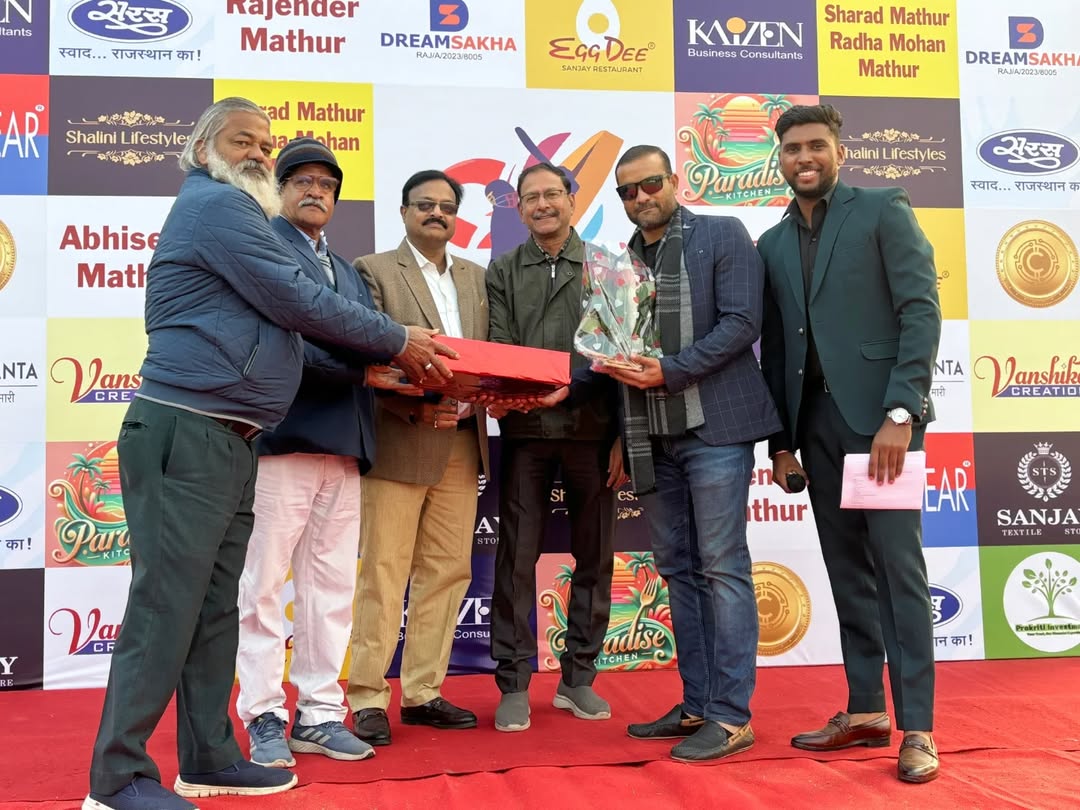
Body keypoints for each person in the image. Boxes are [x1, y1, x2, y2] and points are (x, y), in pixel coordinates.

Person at [84, 98, 453, 810]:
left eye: (264, 142)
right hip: (187, 428)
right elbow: (295, 298)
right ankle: (116, 779)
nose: (257, 152)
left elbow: (295, 308)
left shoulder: (241, 214)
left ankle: (210, 757)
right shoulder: (217, 204)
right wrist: (397, 340)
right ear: (202, 150)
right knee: (165, 607)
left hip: (232, 436)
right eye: (242, 141)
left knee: (213, 609)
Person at [543, 145, 782, 762]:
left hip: (715, 429)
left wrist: (670, 371)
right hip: (650, 435)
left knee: (722, 567)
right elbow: (611, 350)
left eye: (650, 184)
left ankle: (731, 717)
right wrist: (562, 384)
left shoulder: (722, 233)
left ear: (673, 181)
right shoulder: (619, 262)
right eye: (626, 191)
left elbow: (742, 324)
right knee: (678, 570)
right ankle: (698, 703)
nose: (640, 197)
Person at [757, 103, 942, 783]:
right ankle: (866, 708)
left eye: (815, 145)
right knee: (847, 572)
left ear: (839, 151)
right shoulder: (772, 242)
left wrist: (902, 411)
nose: (803, 158)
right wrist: (781, 443)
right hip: (817, 431)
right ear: (779, 159)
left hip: (881, 427)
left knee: (899, 573)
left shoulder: (883, 208)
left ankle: (918, 728)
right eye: (792, 149)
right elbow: (776, 348)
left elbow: (920, 309)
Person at [235, 138, 421, 769]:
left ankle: (318, 713)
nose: (316, 191)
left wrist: (384, 375)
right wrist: (361, 371)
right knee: (263, 586)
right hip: (282, 440)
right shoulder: (265, 248)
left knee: (331, 589)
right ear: (279, 189)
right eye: (302, 181)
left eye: (327, 184)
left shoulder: (346, 270)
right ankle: (263, 714)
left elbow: (372, 346)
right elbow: (283, 344)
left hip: (344, 445)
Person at [346, 170, 490, 746]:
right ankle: (366, 697)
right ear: (404, 211)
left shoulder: (476, 277)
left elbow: (489, 357)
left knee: (448, 570)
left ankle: (424, 692)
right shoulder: (373, 270)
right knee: (384, 570)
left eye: (447, 206)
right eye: (425, 204)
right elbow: (368, 354)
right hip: (400, 439)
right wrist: (421, 405)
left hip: (463, 442)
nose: (437, 213)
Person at [485, 162, 623, 733]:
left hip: (594, 430)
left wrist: (621, 434)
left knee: (595, 557)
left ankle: (578, 678)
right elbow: (498, 343)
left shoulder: (607, 266)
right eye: (531, 197)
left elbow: (619, 350)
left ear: (572, 200)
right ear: (519, 208)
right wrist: (515, 392)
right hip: (526, 433)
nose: (542, 204)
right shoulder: (502, 270)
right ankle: (514, 683)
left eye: (552, 194)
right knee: (515, 560)